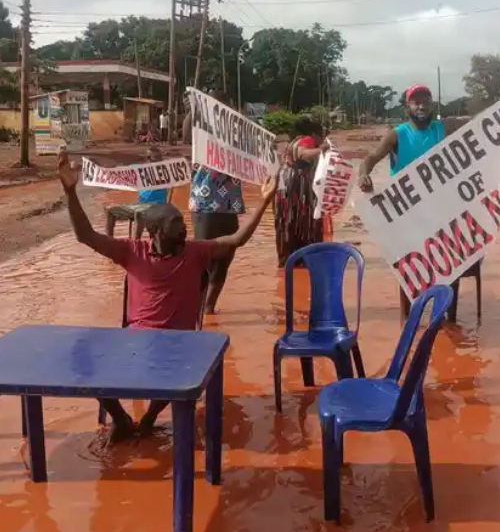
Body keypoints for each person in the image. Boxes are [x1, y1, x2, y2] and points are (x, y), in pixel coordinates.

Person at [58, 151, 278, 443]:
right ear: (155, 231)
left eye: (182, 221)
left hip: (179, 344)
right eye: (176, 222)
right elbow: (85, 235)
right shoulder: (131, 251)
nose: (184, 226)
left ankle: (148, 419)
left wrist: (265, 200)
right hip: (134, 341)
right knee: (86, 364)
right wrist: (70, 191)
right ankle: (121, 419)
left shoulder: (195, 251)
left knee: (178, 369)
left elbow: (237, 240)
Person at [358, 84, 451, 317]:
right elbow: (370, 158)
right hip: (407, 212)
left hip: (440, 208)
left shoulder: (443, 129)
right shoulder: (397, 135)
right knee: (408, 266)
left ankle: (446, 320)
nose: (421, 106)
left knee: (449, 264)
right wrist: (363, 175)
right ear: (407, 106)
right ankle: (406, 318)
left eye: (425, 101)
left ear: (432, 104)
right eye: (415, 101)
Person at [189, 90, 246, 314]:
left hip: (230, 204)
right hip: (204, 203)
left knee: (225, 256)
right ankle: (198, 306)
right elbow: (187, 132)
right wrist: (196, 109)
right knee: (203, 258)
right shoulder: (199, 127)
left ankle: (208, 308)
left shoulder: (237, 133)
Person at [274, 116, 329, 267]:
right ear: (315, 134)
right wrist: (321, 150)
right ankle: (307, 259)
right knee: (305, 220)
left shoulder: (293, 141)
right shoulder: (307, 140)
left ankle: (287, 259)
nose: (324, 139)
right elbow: (303, 154)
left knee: (287, 221)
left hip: (284, 184)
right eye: (322, 136)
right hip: (297, 187)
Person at [105, 146, 169, 239]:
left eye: (160, 158)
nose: (159, 161)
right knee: (110, 212)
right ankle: (109, 242)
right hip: (140, 205)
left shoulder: (165, 171)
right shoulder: (139, 170)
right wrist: (110, 170)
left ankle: (135, 244)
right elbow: (123, 172)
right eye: (156, 158)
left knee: (139, 213)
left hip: (157, 206)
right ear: (147, 158)